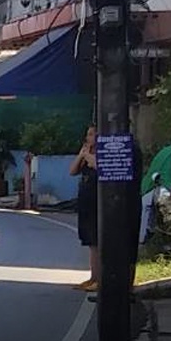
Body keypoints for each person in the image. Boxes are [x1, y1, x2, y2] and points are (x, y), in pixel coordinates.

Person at [71, 125, 99, 292]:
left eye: (91, 134)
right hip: (85, 202)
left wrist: (88, 155)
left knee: (97, 240)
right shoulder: (85, 153)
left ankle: (99, 278)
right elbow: (72, 171)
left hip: (97, 202)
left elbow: (98, 166)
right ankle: (93, 277)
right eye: (88, 134)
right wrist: (81, 155)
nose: (88, 138)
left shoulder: (102, 154)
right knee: (90, 242)